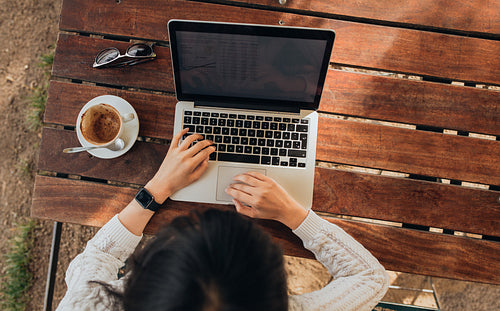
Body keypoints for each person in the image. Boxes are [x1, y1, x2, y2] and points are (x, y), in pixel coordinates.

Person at [56, 128, 389, 311]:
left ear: (141, 279)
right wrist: (292, 213)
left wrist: (158, 188)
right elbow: (370, 277)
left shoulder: (90, 304)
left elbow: (97, 258)